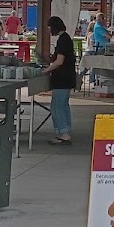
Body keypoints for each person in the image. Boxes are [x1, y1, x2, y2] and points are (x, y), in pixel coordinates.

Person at [44, 15, 76, 145]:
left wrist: (46, 70)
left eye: (50, 28)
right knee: (63, 105)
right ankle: (65, 131)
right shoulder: (66, 38)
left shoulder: (62, 40)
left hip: (62, 78)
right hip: (67, 77)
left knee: (57, 106)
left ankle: (63, 133)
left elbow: (59, 61)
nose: (49, 30)